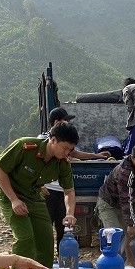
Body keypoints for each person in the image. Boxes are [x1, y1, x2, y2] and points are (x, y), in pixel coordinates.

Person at [0, 121, 78, 269]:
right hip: (11, 196)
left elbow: (69, 192)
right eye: (64, 148)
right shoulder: (25, 147)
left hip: (34, 197)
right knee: (26, 238)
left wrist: (69, 213)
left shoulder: (62, 163)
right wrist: (14, 199)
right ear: (53, 140)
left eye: (69, 150)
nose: (66, 153)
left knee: (46, 241)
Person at [40, 107, 108, 254]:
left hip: (63, 191)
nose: (66, 153)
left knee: (64, 229)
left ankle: (63, 260)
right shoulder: (43, 140)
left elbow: (74, 153)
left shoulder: (65, 148)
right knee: (44, 229)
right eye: (65, 121)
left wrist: (96, 156)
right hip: (47, 191)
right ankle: (44, 262)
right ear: (56, 122)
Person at [95, 143, 135, 266]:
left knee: (131, 234)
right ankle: (112, 266)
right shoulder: (125, 173)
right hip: (108, 204)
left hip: (120, 205)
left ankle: (129, 262)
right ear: (133, 158)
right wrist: (130, 223)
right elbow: (126, 200)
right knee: (113, 235)